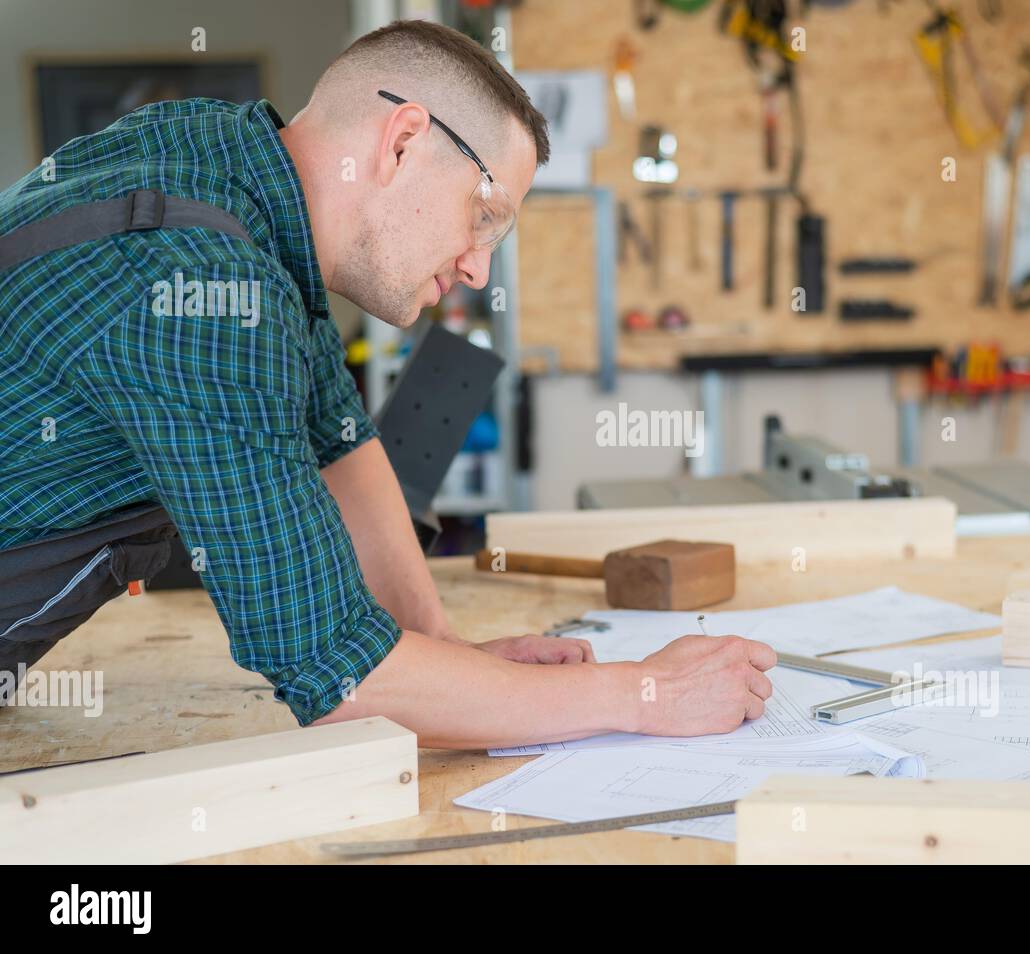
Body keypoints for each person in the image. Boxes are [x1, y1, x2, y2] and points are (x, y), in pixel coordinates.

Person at [0, 20, 775, 748]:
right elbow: (337, 675)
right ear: (403, 142)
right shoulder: (201, 284)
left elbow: (338, 441)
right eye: (484, 216)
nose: (478, 266)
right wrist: (643, 695)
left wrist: (438, 651)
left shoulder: (228, 172)